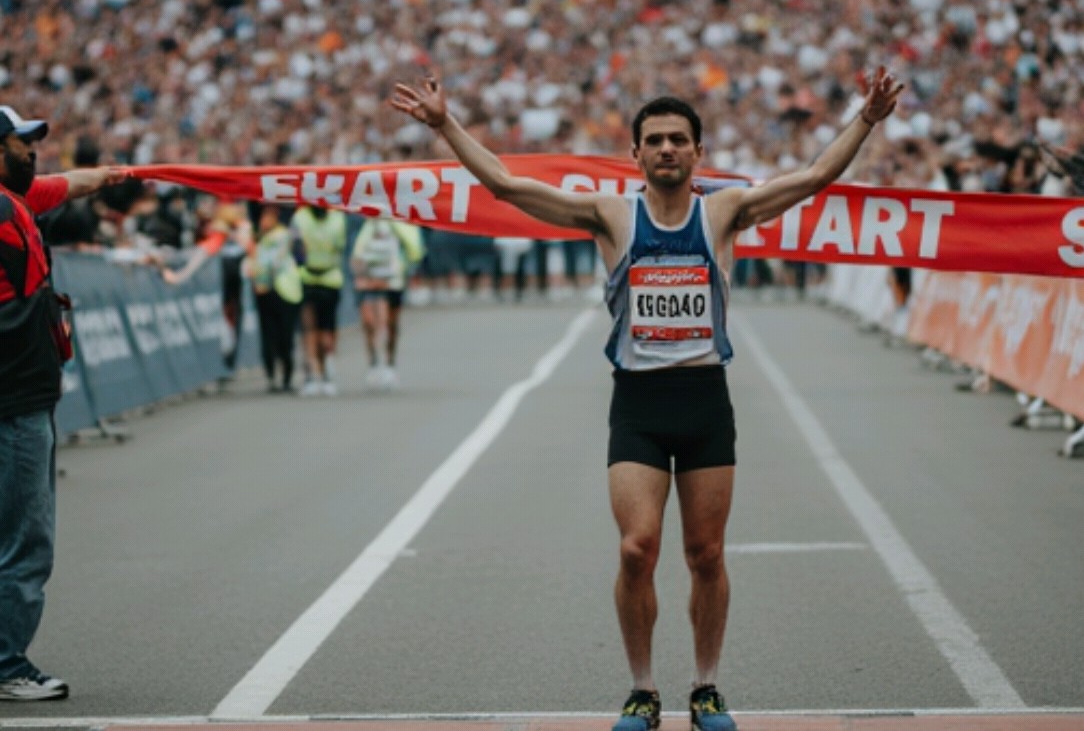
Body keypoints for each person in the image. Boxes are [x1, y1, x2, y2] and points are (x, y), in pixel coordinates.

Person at [391, 68, 903, 731]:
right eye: (655, 140)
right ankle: (641, 689)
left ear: (697, 152)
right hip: (637, 401)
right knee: (637, 548)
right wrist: (444, 126)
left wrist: (864, 119)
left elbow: (810, 179)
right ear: (635, 154)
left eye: (678, 140)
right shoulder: (610, 214)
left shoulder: (722, 211)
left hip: (703, 399)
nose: (666, 149)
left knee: (707, 554)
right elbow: (506, 186)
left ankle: (707, 687)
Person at [0, 105, 127, 701]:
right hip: (14, 398)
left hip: (25, 394)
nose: (33, 152)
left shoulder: (18, 199)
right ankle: (5, 666)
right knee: (26, 540)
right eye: (22, 143)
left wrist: (112, 174)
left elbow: (68, 184)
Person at [161, 201, 253, 382]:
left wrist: (232, 231)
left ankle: (231, 360)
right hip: (223, 294)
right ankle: (225, 363)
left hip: (240, 291)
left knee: (236, 323)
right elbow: (200, 254)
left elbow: (248, 245)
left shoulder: (243, 230)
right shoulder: (217, 237)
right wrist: (180, 276)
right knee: (225, 324)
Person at [349, 216, 425, 390]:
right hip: (370, 280)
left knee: (391, 324)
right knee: (370, 323)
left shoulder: (400, 223)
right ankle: (374, 363)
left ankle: (389, 363)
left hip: (393, 281)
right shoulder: (367, 224)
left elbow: (415, 251)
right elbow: (357, 253)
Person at [290, 205, 348, 397]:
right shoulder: (301, 217)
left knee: (325, 331)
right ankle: (314, 374)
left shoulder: (336, 217)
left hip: (329, 278)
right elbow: (296, 248)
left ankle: (324, 373)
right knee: (310, 329)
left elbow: (340, 245)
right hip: (308, 278)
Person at [246, 204, 302, 394]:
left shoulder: (283, 235)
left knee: (285, 335)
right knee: (268, 335)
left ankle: (287, 375)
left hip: (283, 290)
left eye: (269, 216)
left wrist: (263, 279)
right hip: (263, 293)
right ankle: (271, 375)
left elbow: (274, 262)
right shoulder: (258, 239)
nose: (265, 221)